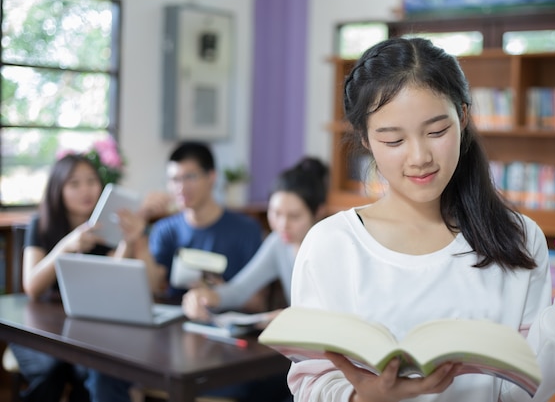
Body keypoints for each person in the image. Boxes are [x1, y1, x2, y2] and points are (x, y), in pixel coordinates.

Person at [286, 37, 555, 402]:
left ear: (462, 118)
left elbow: (524, 389)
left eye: (436, 132)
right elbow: (310, 383)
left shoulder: (518, 237)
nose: (419, 157)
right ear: (366, 140)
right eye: (393, 140)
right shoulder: (331, 244)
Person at [87, 141, 265, 402]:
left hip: (222, 340)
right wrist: (138, 240)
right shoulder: (166, 229)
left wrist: (220, 292)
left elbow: (257, 301)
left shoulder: (245, 229)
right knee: (104, 373)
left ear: (211, 177)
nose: (181, 187)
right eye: (174, 179)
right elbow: (153, 287)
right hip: (171, 336)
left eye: (190, 177)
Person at [10, 153, 156, 402]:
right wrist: (66, 246)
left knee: (91, 370)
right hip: (39, 327)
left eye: (91, 181)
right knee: (50, 371)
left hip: (83, 329)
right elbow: (33, 287)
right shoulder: (41, 225)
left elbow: (112, 283)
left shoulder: (102, 229)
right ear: (58, 189)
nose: (86, 190)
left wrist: (129, 243)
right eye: (74, 184)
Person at [182, 156, 329, 319]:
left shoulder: (329, 248)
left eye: (294, 216)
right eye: (276, 213)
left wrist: (289, 318)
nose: (282, 224)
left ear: (318, 212)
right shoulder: (278, 243)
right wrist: (207, 296)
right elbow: (240, 289)